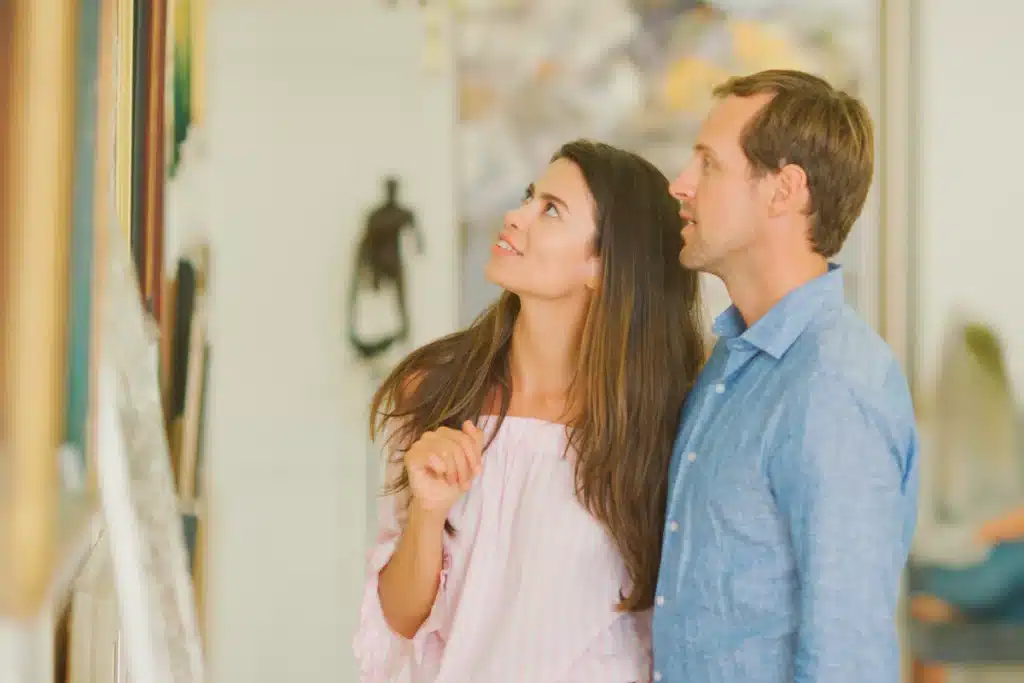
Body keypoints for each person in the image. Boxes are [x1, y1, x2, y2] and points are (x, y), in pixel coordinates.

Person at [353, 139, 706, 682]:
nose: (515, 217)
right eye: (528, 197)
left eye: (551, 210)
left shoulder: (665, 426)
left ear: (604, 266)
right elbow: (399, 621)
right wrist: (427, 510)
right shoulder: (437, 394)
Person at [652, 69, 920, 682]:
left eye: (709, 164)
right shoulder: (731, 365)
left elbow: (847, 659)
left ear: (784, 191)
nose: (680, 184)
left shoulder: (833, 386)